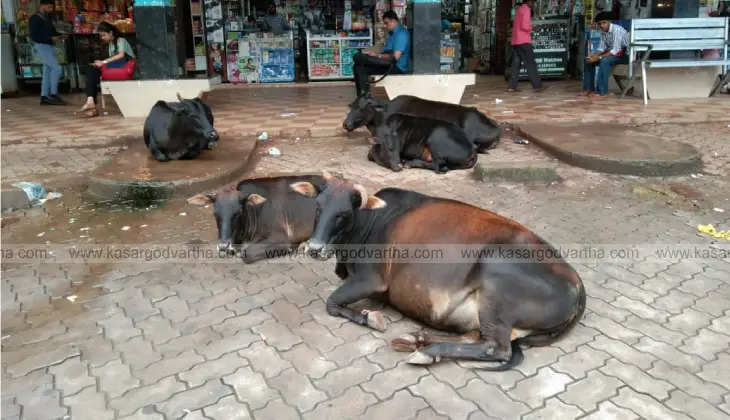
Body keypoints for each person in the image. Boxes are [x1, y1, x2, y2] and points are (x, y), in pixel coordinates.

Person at [78, 22, 136, 117]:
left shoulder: (121, 40)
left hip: (124, 67)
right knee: (91, 70)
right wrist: (100, 63)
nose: (102, 38)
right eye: (101, 36)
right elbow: (111, 60)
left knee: (94, 70)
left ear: (111, 33)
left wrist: (103, 62)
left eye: (104, 35)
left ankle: (91, 104)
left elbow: (121, 55)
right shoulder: (110, 45)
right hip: (115, 67)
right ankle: (90, 100)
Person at [352, 10, 410, 97]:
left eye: (387, 23)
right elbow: (386, 50)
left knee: (359, 59)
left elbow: (394, 58)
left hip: (395, 67)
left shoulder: (401, 34)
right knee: (358, 66)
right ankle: (363, 97)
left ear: (394, 21)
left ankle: (364, 97)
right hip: (388, 62)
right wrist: (373, 53)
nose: (385, 26)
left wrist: (377, 56)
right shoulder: (392, 33)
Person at [581, 11, 629, 99]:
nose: (602, 25)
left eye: (604, 23)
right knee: (588, 61)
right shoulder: (603, 31)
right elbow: (601, 48)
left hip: (625, 55)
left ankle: (602, 92)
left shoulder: (617, 30)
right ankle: (588, 89)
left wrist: (598, 57)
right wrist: (593, 56)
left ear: (609, 21)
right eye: (600, 24)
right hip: (614, 54)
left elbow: (616, 50)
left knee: (604, 61)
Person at [29, 0, 68, 105]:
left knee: (47, 71)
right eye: (49, 7)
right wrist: (50, 39)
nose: (51, 10)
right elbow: (34, 36)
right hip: (42, 46)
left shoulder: (47, 17)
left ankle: (44, 96)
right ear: (42, 6)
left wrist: (60, 35)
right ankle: (53, 94)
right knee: (57, 68)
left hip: (49, 46)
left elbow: (52, 32)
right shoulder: (35, 18)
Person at [507, 0, 544, 93]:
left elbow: (516, 25)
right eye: (533, 2)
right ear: (529, 2)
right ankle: (537, 86)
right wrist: (533, 28)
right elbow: (524, 26)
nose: (533, 4)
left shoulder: (518, 10)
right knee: (531, 63)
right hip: (524, 41)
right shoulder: (527, 9)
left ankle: (511, 86)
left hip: (516, 41)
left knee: (516, 65)